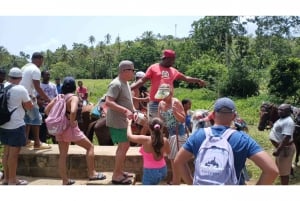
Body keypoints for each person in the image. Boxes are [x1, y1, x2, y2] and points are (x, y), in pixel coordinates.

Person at [173, 97, 279, 185]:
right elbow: (272, 171)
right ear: (233, 116)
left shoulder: (198, 135)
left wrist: (191, 184)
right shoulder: (243, 139)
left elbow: (178, 161)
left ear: (213, 115)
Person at [44, 76, 106, 185]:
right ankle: (92, 173)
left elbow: (46, 110)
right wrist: (72, 122)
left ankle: (65, 180)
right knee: (90, 147)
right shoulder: (74, 97)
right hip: (70, 128)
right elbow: (73, 111)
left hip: (60, 129)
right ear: (74, 87)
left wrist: (59, 119)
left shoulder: (59, 97)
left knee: (63, 155)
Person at [131, 49, 206, 119]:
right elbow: (142, 80)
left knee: (168, 127)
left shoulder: (173, 71)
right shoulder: (153, 67)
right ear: (166, 59)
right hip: (155, 103)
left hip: (168, 104)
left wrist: (198, 80)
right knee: (155, 125)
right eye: (172, 60)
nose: (173, 62)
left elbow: (186, 78)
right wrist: (130, 88)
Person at [0, 67, 33, 185]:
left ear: (9, 77)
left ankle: (6, 179)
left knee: (6, 153)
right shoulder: (20, 89)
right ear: (20, 78)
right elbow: (29, 106)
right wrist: (31, 100)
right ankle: (13, 180)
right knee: (13, 156)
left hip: (3, 124)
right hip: (16, 125)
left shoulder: (2, 86)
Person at [105, 60, 135, 185]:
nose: (133, 72)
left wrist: (133, 110)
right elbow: (108, 102)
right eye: (132, 70)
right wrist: (126, 111)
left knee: (124, 146)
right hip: (118, 121)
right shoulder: (115, 84)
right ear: (124, 71)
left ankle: (119, 170)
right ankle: (116, 175)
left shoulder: (125, 83)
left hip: (123, 120)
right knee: (123, 147)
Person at [20, 52, 51, 150]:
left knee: (27, 120)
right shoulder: (36, 69)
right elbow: (37, 86)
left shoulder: (25, 67)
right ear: (39, 59)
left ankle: (25, 140)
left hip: (20, 96)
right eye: (42, 61)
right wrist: (47, 99)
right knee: (36, 119)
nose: (42, 63)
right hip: (28, 97)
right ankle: (37, 143)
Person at [157, 83, 186, 185]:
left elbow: (183, 119)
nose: (164, 97)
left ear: (171, 93)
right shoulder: (161, 104)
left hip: (179, 132)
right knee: (172, 158)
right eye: (162, 95)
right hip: (170, 132)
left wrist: (175, 112)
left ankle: (176, 181)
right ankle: (176, 181)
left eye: (165, 94)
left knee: (175, 159)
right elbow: (160, 120)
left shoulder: (176, 102)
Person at [127, 117, 170, 185]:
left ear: (149, 128)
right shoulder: (165, 140)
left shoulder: (145, 139)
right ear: (162, 128)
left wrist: (129, 124)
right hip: (163, 170)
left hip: (150, 172)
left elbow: (129, 136)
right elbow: (167, 152)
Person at [269, 103, 296, 185]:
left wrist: (278, 150)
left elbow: (286, 137)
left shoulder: (288, 121)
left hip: (284, 149)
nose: (279, 111)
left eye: (282, 110)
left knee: (284, 173)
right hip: (281, 148)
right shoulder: (282, 118)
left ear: (288, 112)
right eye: (278, 109)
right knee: (280, 169)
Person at [36, 70, 58, 143]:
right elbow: (36, 97)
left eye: (49, 75)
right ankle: (43, 140)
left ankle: (55, 140)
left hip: (52, 109)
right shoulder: (39, 86)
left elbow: (56, 96)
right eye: (46, 75)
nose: (48, 76)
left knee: (54, 126)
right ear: (42, 76)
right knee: (43, 126)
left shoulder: (53, 85)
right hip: (42, 109)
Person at [131, 71, 149, 136]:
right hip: (133, 111)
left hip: (137, 110)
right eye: (143, 80)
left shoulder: (138, 87)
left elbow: (137, 100)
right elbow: (131, 98)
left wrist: (144, 107)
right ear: (138, 79)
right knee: (147, 123)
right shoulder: (134, 86)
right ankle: (140, 141)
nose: (144, 82)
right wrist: (144, 99)